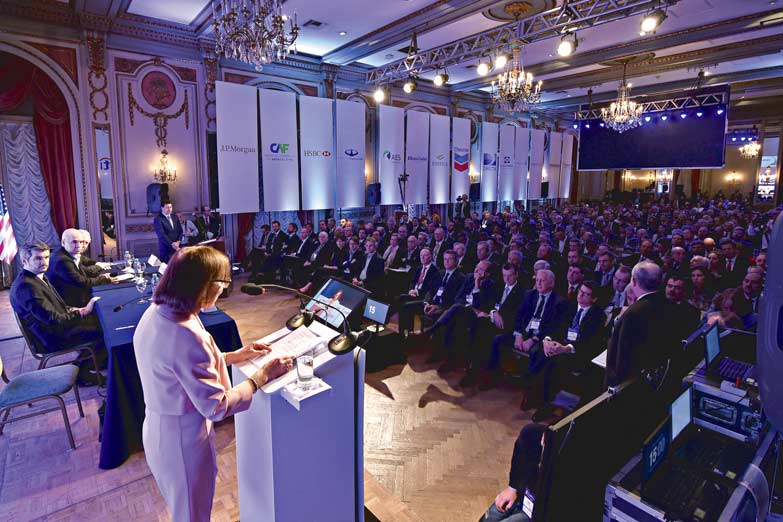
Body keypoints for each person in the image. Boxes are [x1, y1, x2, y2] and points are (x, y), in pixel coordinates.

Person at [134, 246, 293, 522]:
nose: (224, 288)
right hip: (182, 443)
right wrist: (262, 376)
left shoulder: (160, 310)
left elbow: (181, 367)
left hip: (161, 429)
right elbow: (217, 407)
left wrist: (236, 355)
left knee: (186, 511)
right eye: (222, 282)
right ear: (202, 285)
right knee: (192, 516)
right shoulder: (185, 333)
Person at [10, 241, 105, 384]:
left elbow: (56, 307)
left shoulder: (36, 276)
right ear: (24, 261)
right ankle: (81, 373)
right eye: (38, 258)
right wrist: (83, 312)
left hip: (54, 327)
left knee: (99, 320)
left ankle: (96, 361)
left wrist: (75, 310)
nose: (44, 262)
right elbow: (54, 319)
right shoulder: (26, 286)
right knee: (104, 331)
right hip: (51, 337)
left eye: (46, 257)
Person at [604, 262, 677, 387]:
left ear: (633, 281)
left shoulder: (633, 313)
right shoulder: (668, 304)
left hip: (632, 385)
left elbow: (622, 359)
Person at [482, 423, 547, 522]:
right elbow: (519, 462)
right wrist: (512, 488)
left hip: (545, 510)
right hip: (525, 496)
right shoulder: (532, 433)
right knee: (489, 518)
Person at [46, 228, 115, 307]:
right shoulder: (62, 260)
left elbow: (83, 269)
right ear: (63, 242)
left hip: (70, 296)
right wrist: (103, 278)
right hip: (67, 304)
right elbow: (82, 282)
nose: (79, 246)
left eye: (81, 242)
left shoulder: (67, 253)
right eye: (74, 242)